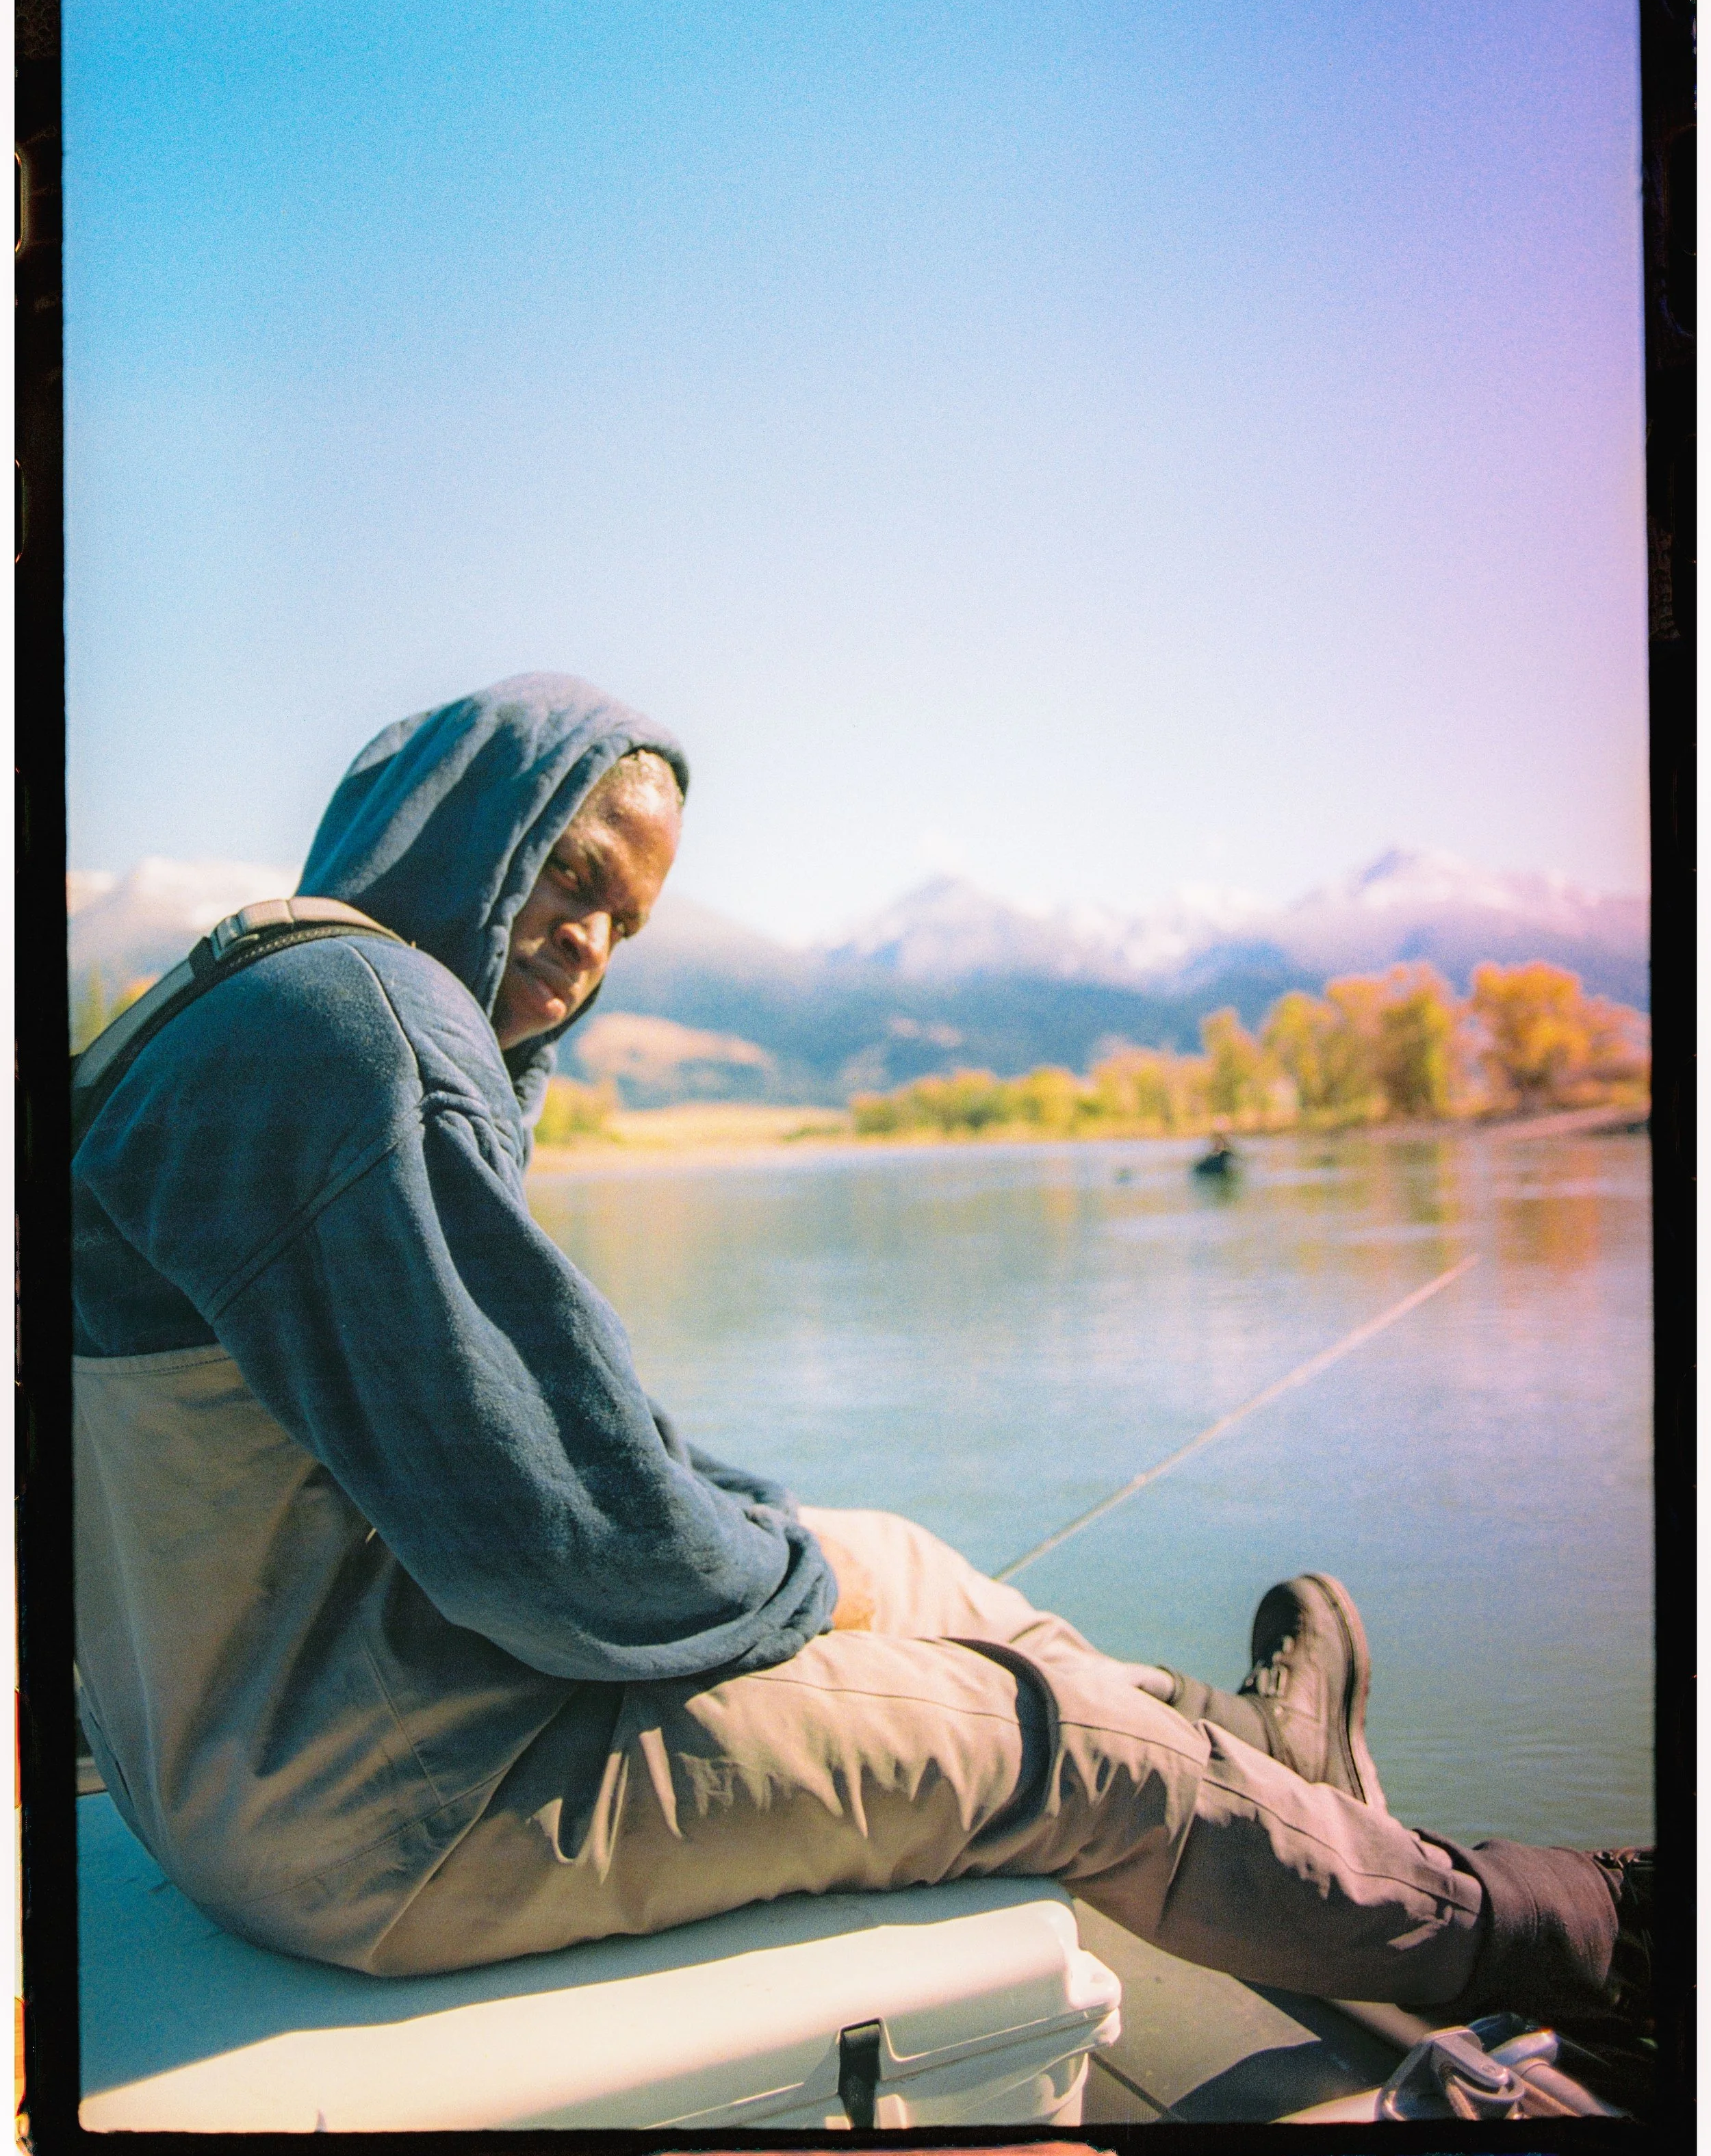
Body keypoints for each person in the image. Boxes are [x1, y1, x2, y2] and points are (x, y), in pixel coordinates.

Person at [71, 675, 1649, 2070]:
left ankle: (1269, 1766)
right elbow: (570, 1548)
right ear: (464, 828)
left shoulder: (249, 1007)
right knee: (1072, 1753)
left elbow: (548, 1460)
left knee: (888, 1553)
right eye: (569, 871)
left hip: (247, 1765)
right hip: (390, 1811)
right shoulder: (370, 1039)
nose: (587, 941)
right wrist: (777, 1599)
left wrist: (796, 1567)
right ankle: (1566, 1931)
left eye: (624, 919)